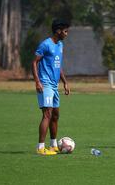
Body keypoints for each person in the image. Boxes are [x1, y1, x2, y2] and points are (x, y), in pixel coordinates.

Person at [32, 19, 71, 155]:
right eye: (65, 31)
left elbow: (57, 65)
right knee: (47, 114)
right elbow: (34, 63)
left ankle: (53, 145)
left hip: (54, 85)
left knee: (55, 115)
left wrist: (65, 82)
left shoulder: (60, 45)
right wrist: (37, 81)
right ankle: (40, 148)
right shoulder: (45, 45)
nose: (67, 34)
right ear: (58, 31)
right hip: (45, 84)